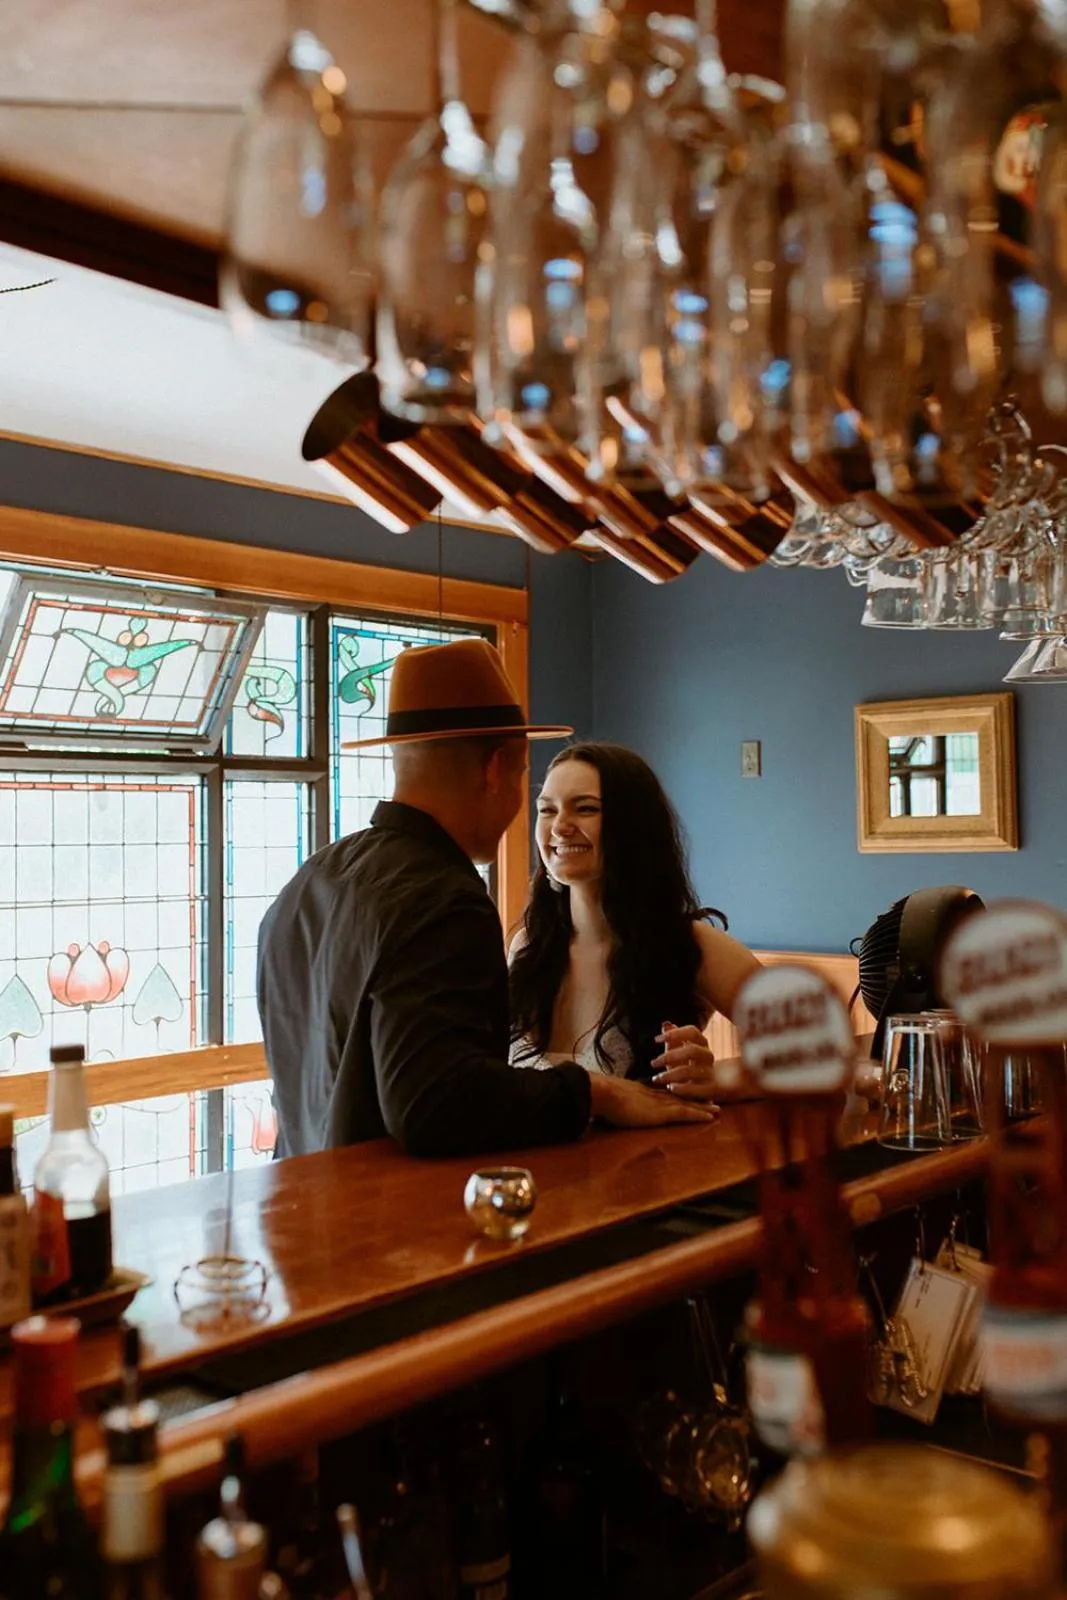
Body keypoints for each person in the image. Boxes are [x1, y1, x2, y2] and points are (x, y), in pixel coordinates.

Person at [258, 640, 717, 1158]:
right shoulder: (442, 898)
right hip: (392, 1205)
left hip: (305, 1195)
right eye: (535, 793)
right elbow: (435, 1105)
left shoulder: (311, 880)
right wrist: (595, 1093)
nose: (555, 824)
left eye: (585, 808)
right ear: (496, 769)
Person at [509, 742, 763, 1095]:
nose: (560, 827)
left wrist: (716, 1079)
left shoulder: (689, 945)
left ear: (634, 825)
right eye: (547, 810)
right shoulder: (527, 946)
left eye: (585, 808)